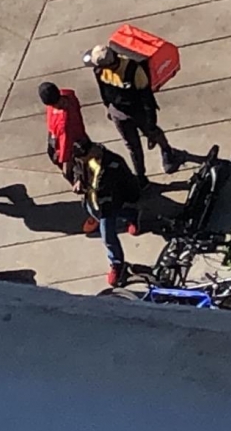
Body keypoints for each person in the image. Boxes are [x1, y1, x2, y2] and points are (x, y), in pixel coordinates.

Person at [83, 45, 183, 189]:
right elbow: (104, 91)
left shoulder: (133, 71)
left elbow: (147, 99)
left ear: (110, 64)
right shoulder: (99, 70)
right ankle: (141, 177)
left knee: (153, 133)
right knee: (132, 147)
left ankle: (167, 151)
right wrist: (109, 109)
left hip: (138, 111)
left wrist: (151, 123)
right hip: (118, 113)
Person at [71, 140, 141, 287]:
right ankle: (131, 214)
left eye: (84, 158)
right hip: (91, 201)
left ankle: (117, 265)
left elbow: (128, 182)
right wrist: (78, 180)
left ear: (92, 151)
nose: (82, 162)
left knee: (108, 236)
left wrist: (131, 198)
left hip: (109, 205)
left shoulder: (114, 163)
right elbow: (77, 169)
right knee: (94, 212)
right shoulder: (82, 159)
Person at [38, 82, 91, 184]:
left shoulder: (63, 123)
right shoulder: (69, 96)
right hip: (79, 136)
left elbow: (65, 146)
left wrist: (66, 167)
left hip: (72, 146)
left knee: (79, 174)